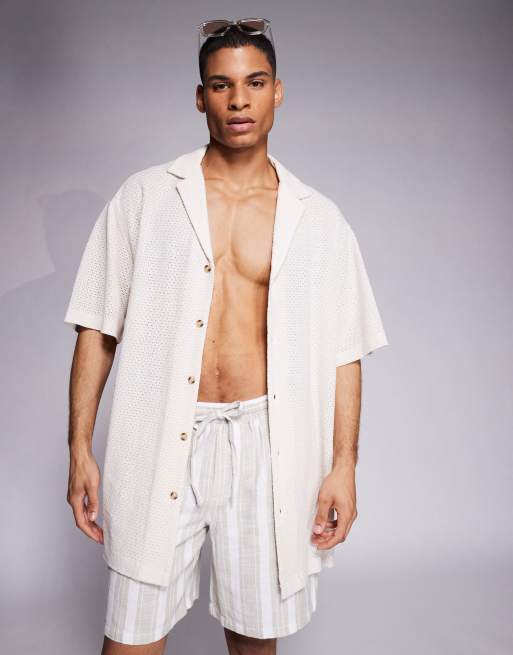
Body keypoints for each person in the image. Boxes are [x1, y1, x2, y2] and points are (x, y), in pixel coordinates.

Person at [64, 17, 389, 655]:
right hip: (161, 434)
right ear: (200, 97)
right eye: (222, 85)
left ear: (278, 91)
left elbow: (344, 353)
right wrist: (78, 446)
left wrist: (344, 466)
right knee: (130, 637)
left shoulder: (319, 219)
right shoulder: (146, 198)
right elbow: (97, 328)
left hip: (269, 443)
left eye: (255, 82)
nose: (239, 100)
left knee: (254, 640)